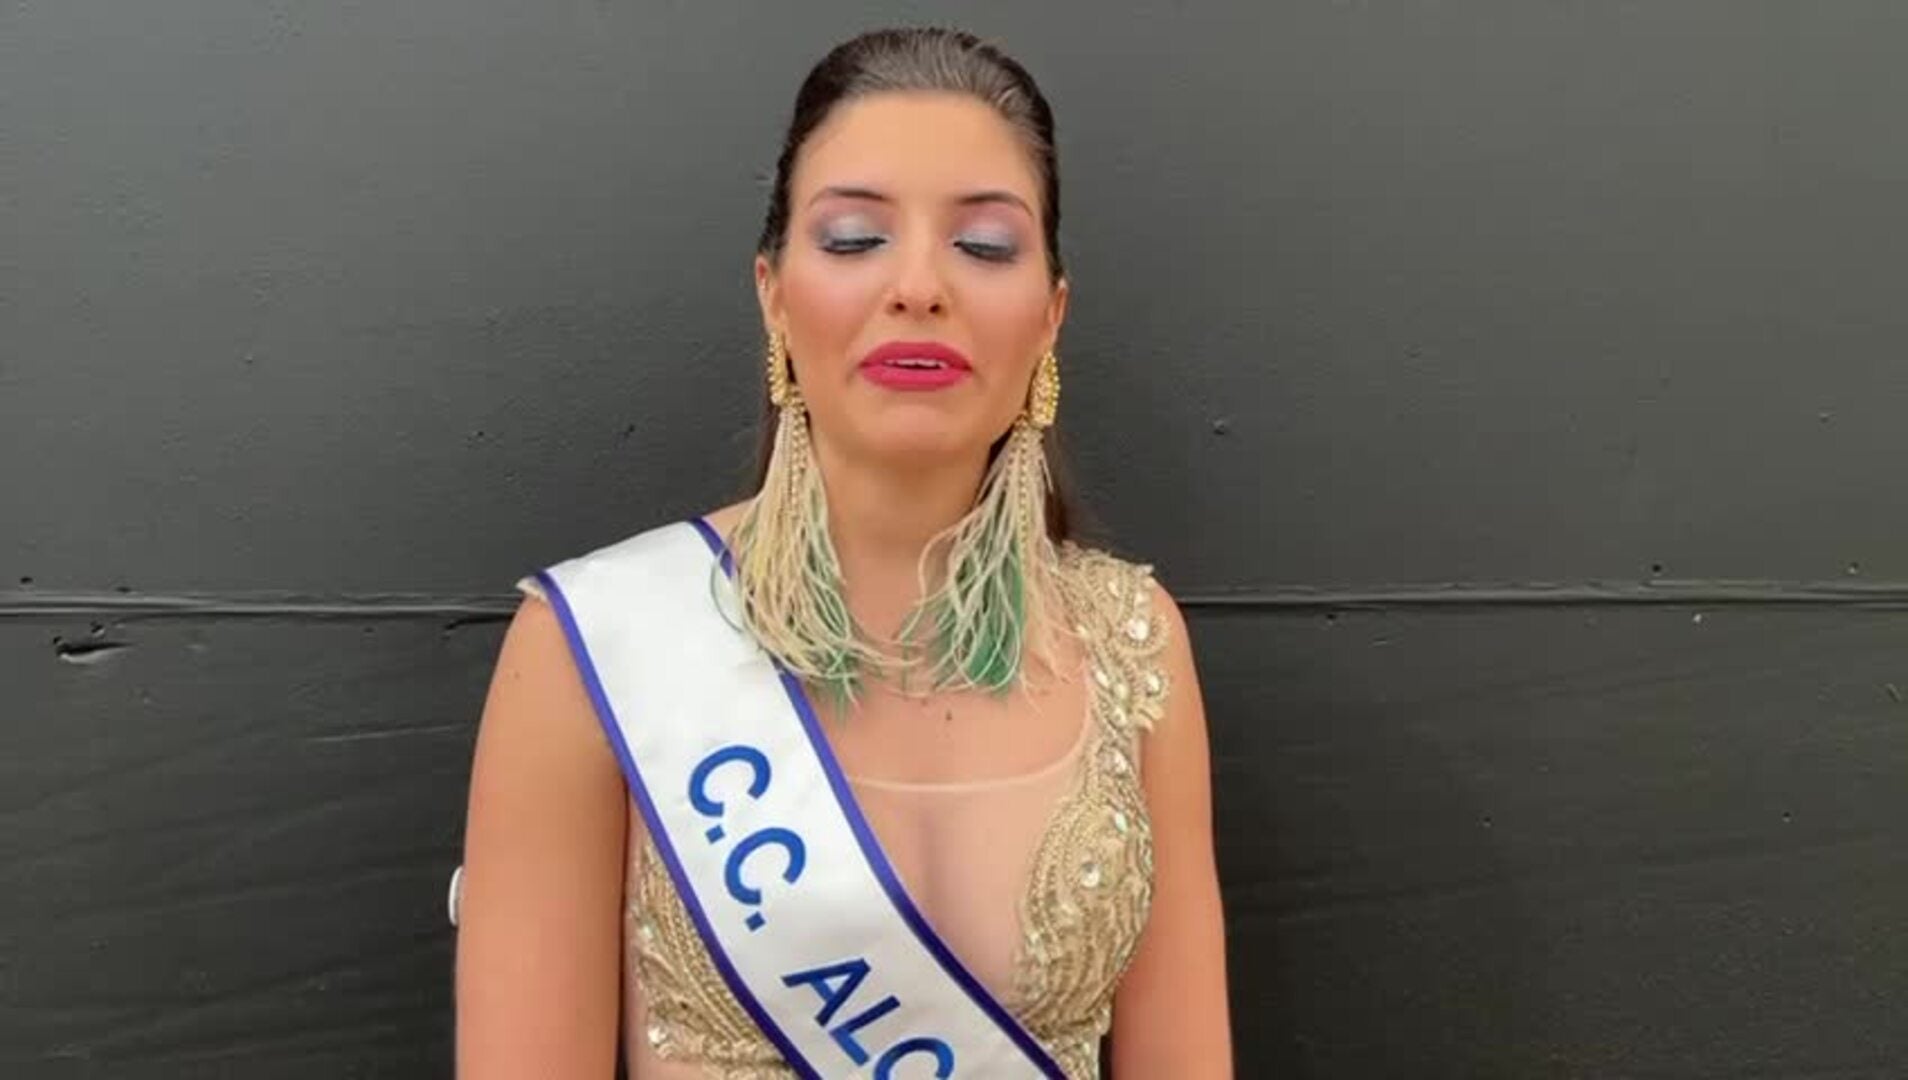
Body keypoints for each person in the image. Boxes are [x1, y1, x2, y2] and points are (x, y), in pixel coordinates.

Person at [453, 27, 1232, 1079]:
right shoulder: (595, 646)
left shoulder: (1132, 642)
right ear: (774, 294)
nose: (918, 285)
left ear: (1051, 316)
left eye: (984, 246)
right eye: (856, 238)